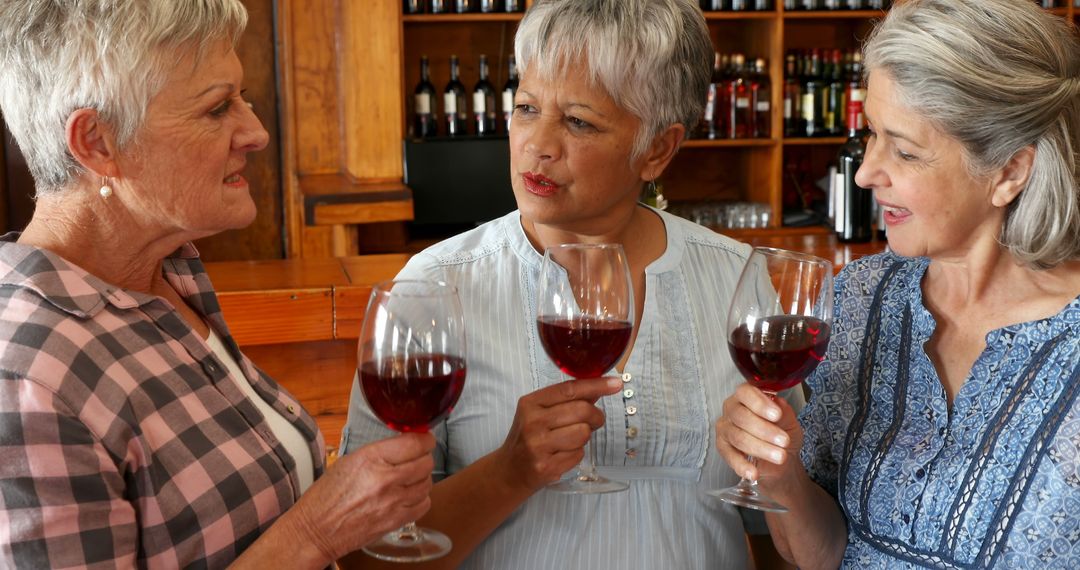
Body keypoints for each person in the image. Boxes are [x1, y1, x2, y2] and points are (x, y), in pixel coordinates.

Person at [340, 0, 802, 568]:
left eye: (579, 121)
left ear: (657, 148)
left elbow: (774, 530)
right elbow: (362, 557)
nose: (539, 143)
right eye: (527, 107)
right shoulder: (435, 285)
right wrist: (509, 472)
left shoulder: (735, 278)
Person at [0, 1, 435, 568]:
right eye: (216, 109)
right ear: (97, 143)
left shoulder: (169, 275)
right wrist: (315, 532)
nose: (255, 131)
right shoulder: (27, 377)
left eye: (242, 97)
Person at [715, 0, 1080, 567]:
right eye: (871, 135)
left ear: (1009, 171)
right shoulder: (861, 300)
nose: (864, 173)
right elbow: (825, 554)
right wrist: (781, 478)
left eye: (905, 150)